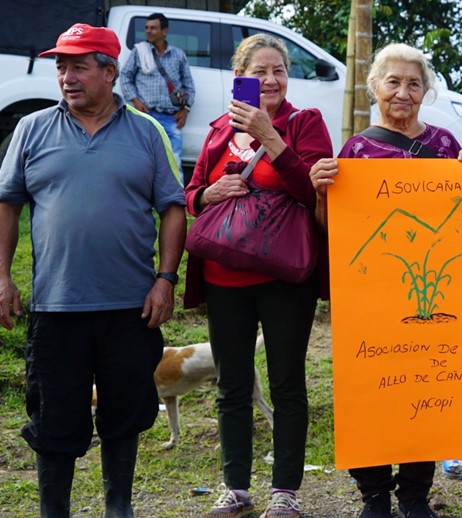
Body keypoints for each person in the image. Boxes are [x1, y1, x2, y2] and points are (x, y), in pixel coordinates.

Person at [0, 23, 186, 517]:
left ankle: (117, 508)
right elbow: (8, 204)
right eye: (60, 66)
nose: (66, 76)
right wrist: (2, 276)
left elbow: (173, 206)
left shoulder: (146, 132)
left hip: (130, 306)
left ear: (109, 72)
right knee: (54, 418)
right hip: (56, 306)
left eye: (78, 66)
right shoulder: (31, 128)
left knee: (124, 416)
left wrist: (165, 279)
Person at [308, 42, 462, 518]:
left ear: (426, 90)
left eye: (413, 83)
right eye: (393, 82)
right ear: (375, 88)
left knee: (425, 391)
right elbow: (332, 230)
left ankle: (413, 495)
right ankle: (373, 496)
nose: (403, 92)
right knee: (373, 389)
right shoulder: (355, 151)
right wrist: (321, 193)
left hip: (434, 294)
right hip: (372, 294)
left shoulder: (447, 146)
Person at [183, 33, 331, 518]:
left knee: (287, 383)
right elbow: (192, 193)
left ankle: (285, 492)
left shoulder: (305, 124)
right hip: (226, 276)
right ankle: (236, 488)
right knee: (232, 384)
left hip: (286, 275)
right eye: (259, 72)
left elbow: (314, 196)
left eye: (279, 71)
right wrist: (208, 194)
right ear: (239, 77)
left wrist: (270, 136)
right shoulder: (218, 129)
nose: (270, 80)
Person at [120, 12, 195, 171]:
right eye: (146, 28)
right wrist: (135, 100)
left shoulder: (178, 55)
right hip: (145, 116)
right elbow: (125, 76)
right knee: (141, 161)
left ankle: (175, 196)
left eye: (153, 28)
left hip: (170, 118)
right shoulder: (139, 51)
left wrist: (186, 109)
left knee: (173, 162)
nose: (148, 31)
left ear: (164, 31)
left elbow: (188, 85)